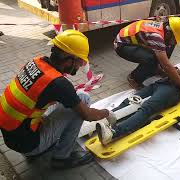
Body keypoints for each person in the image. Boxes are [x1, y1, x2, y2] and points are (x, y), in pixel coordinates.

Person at [0, 30, 116, 169]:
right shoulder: (58, 84)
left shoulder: (37, 62)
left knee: (76, 98)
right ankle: (61, 158)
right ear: (69, 59)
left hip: (14, 133)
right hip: (28, 144)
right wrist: (108, 113)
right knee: (83, 101)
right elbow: (88, 115)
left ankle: (39, 148)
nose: (80, 66)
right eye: (80, 62)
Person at [96, 62, 180, 145]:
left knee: (147, 108)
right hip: (160, 83)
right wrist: (172, 71)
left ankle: (114, 133)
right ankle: (107, 118)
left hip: (174, 90)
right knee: (131, 100)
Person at [114, 17, 180, 100]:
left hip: (137, 42)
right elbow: (166, 65)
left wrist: (174, 71)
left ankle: (157, 68)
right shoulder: (156, 36)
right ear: (168, 33)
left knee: (169, 46)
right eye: (175, 39)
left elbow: (165, 61)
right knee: (151, 59)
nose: (174, 42)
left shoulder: (165, 29)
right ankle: (134, 78)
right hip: (122, 45)